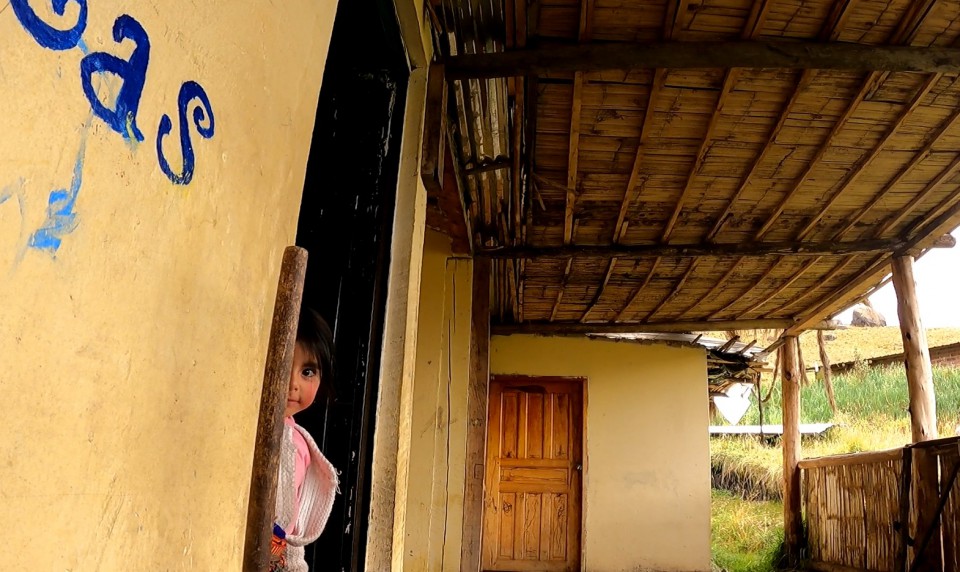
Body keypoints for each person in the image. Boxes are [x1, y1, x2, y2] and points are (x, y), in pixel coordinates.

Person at [271, 307, 339, 572]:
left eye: (307, 371)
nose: (293, 383)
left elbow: (289, 521)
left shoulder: (297, 442)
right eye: (284, 363)